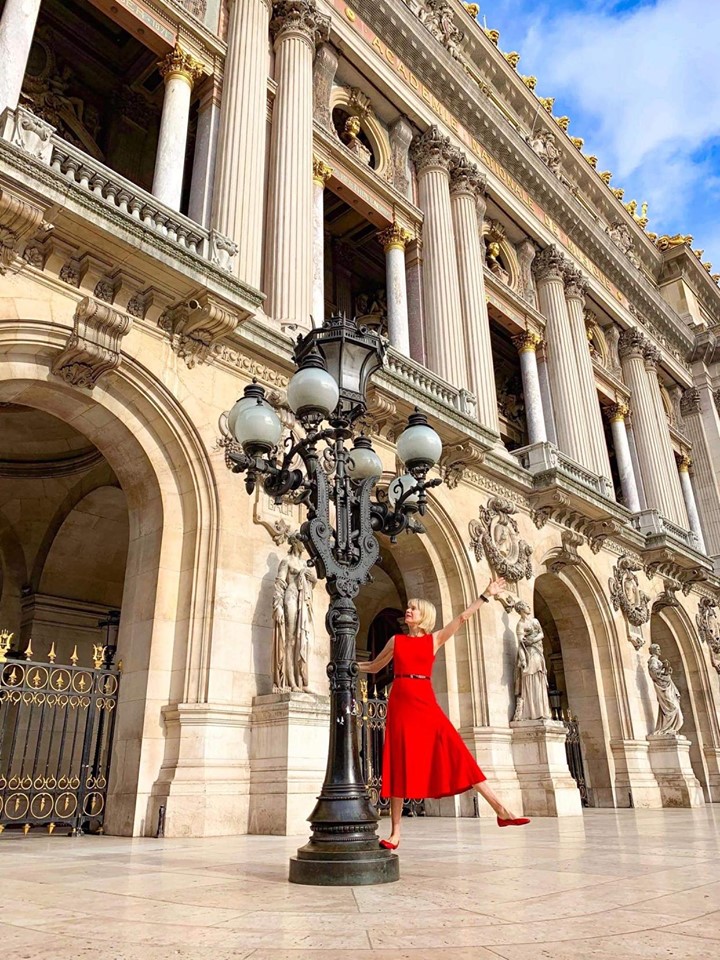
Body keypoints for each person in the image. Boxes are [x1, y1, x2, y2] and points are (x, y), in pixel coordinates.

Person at [358, 577, 530, 849]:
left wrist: (485, 595)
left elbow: (461, 618)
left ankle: (501, 809)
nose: (408, 611)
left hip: (424, 699)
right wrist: (348, 666)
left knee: (456, 750)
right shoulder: (396, 640)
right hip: (401, 700)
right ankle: (395, 833)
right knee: (398, 761)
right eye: (409, 608)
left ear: (423, 615)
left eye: (413, 608)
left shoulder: (434, 639)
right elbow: (375, 665)